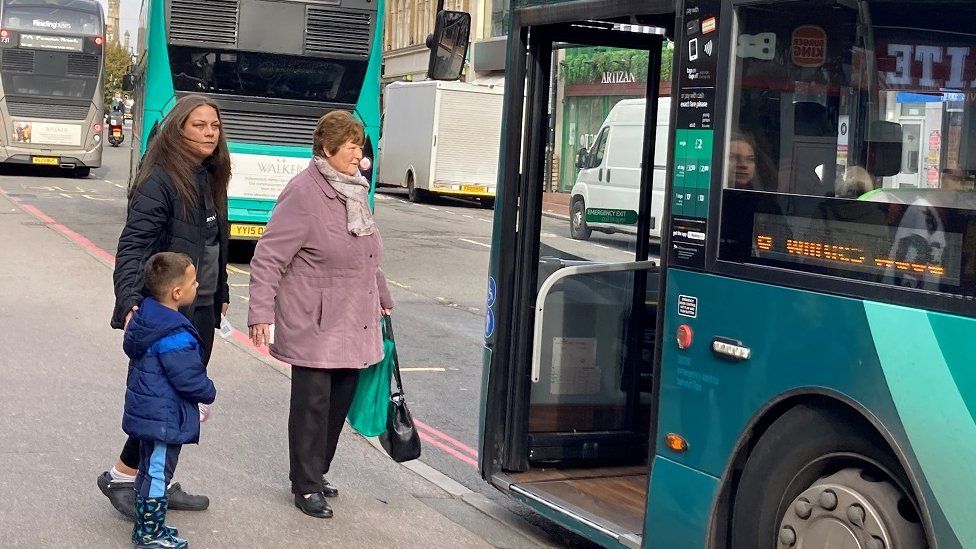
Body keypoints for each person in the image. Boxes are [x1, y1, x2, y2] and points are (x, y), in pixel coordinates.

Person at [247, 110, 394, 519]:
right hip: (315, 317)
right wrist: (260, 313)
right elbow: (268, 257)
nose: (359, 154)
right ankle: (306, 484)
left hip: (354, 316)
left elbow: (366, 253)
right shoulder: (303, 192)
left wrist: (382, 295)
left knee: (338, 402)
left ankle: (316, 470)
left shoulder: (354, 190)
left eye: (361, 146)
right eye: (351, 147)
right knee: (312, 404)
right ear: (327, 149)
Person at [98, 94, 231, 520]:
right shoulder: (160, 181)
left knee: (178, 402)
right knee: (163, 401)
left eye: (214, 125)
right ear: (178, 130)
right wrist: (131, 301)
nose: (210, 132)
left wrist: (221, 290)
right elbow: (133, 246)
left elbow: (214, 245)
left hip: (201, 307)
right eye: (199, 125)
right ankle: (121, 476)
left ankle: (160, 479)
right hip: (167, 312)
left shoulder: (208, 176)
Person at [123, 252, 217, 549]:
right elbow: (188, 377)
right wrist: (208, 391)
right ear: (177, 292)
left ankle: (148, 525)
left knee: (149, 468)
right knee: (157, 472)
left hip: (148, 411)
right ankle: (149, 534)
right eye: (193, 281)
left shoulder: (146, 317)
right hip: (163, 416)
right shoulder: (175, 333)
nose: (197, 284)